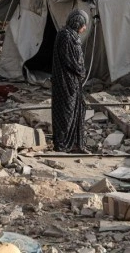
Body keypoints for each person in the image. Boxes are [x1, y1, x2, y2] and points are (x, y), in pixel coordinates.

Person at [51, 9, 89, 153]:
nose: (84, 28)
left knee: (76, 112)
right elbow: (69, 60)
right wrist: (81, 71)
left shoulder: (72, 35)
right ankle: (62, 145)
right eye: (83, 24)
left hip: (74, 83)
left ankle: (75, 144)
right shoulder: (65, 36)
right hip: (65, 83)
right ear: (77, 22)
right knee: (65, 114)